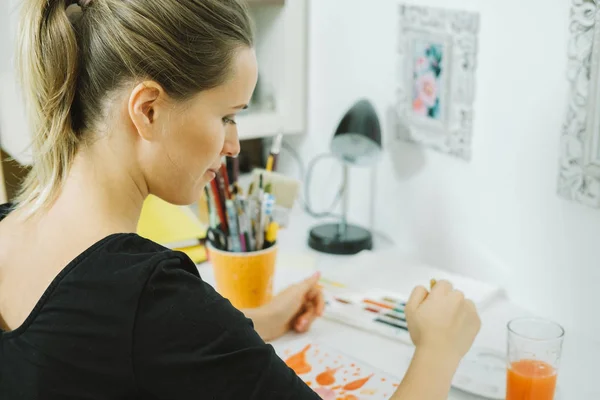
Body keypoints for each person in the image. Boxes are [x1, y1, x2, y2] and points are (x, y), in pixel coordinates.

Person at [0, 0, 481, 399]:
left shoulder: (10, 227)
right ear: (148, 111)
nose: (232, 144)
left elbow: (93, 338)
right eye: (227, 116)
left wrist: (250, 323)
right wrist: (438, 349)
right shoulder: (148, 296)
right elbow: (136, 321)